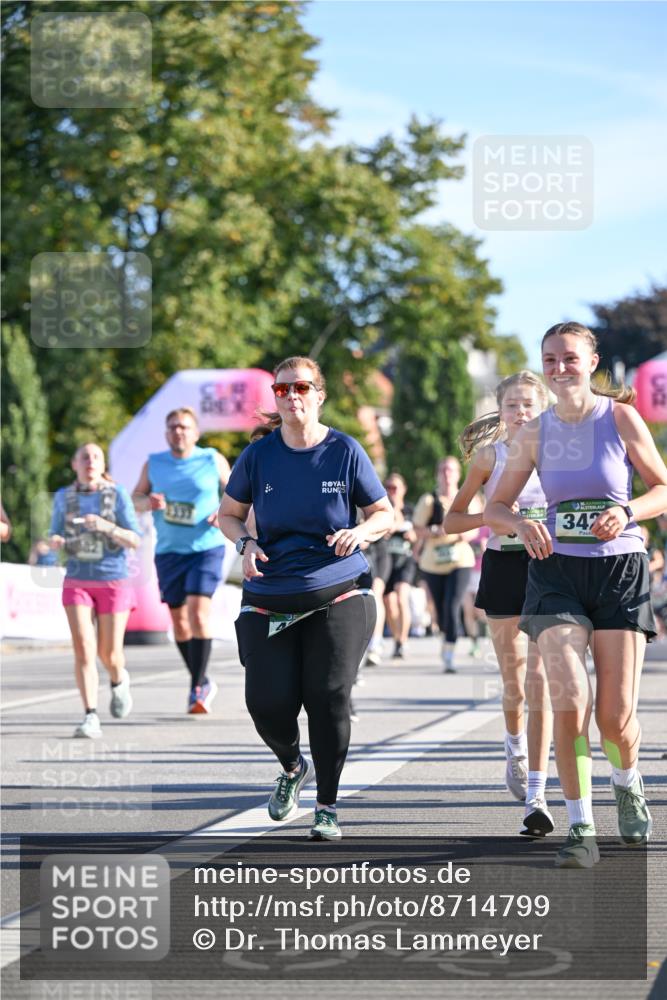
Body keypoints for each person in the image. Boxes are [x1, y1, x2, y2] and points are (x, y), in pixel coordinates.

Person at [486, 322, 667, 868]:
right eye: (550, 359)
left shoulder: (618, 417)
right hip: (555, 572)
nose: (559, 367)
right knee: (571, 700)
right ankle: (580, 824)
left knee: (614, 717)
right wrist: (519, 525)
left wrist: (628, 511)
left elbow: (663, 487)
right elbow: (497, 507)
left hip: (619, 570)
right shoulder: (534, 433)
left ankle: (628, 780)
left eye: (569, 358)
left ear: (592, 362)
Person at [219, 356, 392, 841]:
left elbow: (385, 514)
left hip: (339, 590)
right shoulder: (258, 456)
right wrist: (245, 543)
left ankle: (326, 806)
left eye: (302, 387)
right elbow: (228, 514)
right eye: (282, 389)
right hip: (271, 593)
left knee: (329, 693)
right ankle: (293, 766)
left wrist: (361, 532)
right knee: (267, 702)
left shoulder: (345, 450)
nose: (291, 396)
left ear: (319, 395)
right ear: (275, 396)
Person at [445, 371, 554, 836]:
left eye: (529, 405)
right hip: (505, 568)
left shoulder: (560, 457)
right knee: (515, 680)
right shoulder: (490, 457)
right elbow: (453, 521)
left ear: (544, 408)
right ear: (501, 410)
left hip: (552, 570)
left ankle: (537, 791)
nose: (521, 413)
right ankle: (514, 745)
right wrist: (496, 517)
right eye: (513, 405)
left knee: (543, 679)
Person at [133, 407, 230, 714]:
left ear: (196, 433)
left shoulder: (211, 459)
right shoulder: (154, 463)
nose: (179, 431)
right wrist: (147, 502)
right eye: (173, 427)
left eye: (185, 427)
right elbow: (134, 499)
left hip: (206, 547)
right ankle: (200, 679)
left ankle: (197, 685)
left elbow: (237, 492)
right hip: (169, 551)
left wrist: (224, 513)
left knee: (198, 612)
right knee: (178, 622)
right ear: (166, 433)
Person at [48, 443, 140, 739]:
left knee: (108, 653)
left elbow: (134, 539)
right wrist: (57, 541)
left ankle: (118, 679)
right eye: (84, 456)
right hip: (77, 579)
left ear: (103, 465)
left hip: (113, 579)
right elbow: (54, 532)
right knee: (84, 649)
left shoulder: (117, 495)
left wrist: (105, 526)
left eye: (96, 456)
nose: (90, 461)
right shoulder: (64, 496)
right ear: (75, 464)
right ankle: (90, 716)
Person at [413, 457, 480, 673]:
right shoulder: (429, 500)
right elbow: (417, 529)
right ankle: (446, 637)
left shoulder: (469, 496)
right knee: (441, 609)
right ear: (437, 474)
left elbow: (477, 525)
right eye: (443, 470)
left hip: (460, 559)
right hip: (433, 562)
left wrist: (461, 533)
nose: (447, 474)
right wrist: (433, 531)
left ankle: (450, 652)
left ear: (458, 474)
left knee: (453, 604)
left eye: (451, 470)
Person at [383, 472, 418, 659]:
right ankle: (397, 639)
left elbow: (414, 534)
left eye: (394, 488)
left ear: (403, 490)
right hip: (388, 560)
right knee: (389, 601)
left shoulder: (410, 510)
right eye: (387, 487)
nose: (391, 491)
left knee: (401, 595)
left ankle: (403, 640)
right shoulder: (382, 510)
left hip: (405, 560)